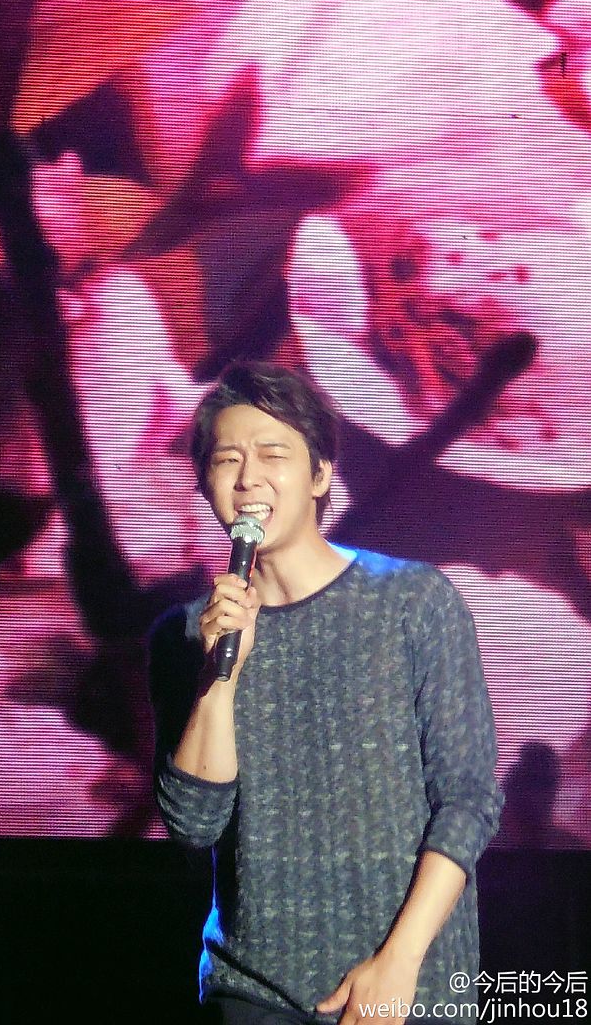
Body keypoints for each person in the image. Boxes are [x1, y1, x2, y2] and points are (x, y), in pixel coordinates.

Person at [148, 361, 504, 1025]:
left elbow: (468, 799)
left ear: (319, 476)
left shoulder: (414, 601)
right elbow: (193, 824)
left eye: (272, 455)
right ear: (205, 483)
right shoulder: (186, 634)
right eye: (227, 460)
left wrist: (400, 961)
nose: (248, 478)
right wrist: (218, 677)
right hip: (255, 989)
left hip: (410, 986)